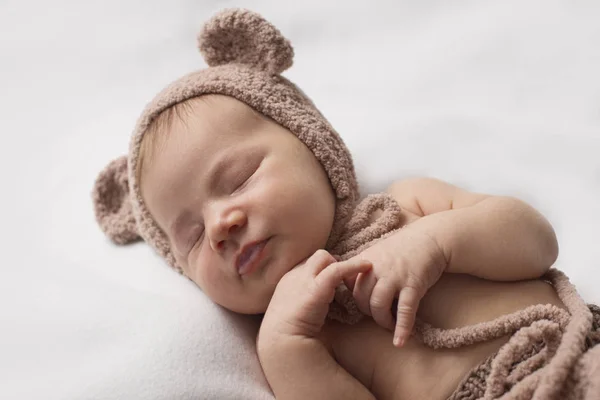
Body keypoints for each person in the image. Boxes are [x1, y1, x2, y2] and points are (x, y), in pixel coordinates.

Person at [92, 9, 600, 400]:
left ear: (316, 146)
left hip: (574, 348)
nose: (221, 224)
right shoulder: (301, 337)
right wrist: (285, 349)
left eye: (240, 178)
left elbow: (537, 242)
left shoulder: (409, 204)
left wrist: (437, 242)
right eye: (193, 237)